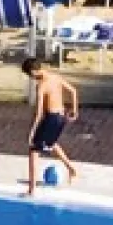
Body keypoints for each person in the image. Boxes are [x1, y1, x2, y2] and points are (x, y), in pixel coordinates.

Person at [20, 58, 81, 195]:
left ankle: (31, 190)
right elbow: (73, 91)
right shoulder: (55, 77)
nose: (31, 78)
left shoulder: (42, 86)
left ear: (33, 71)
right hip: (61, 117)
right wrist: (74, 110)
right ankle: (71, 169)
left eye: (30, 75)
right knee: (51, 143)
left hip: (51, 118)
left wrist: (32, 132)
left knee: (33, 151)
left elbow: (39, 113)